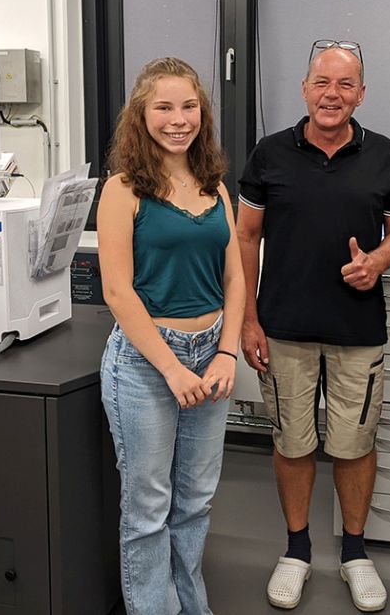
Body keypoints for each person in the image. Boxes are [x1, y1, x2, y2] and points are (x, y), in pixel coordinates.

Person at [236, 39, 390, 612]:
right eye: (321, 82)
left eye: (344, 85)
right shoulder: (269, 154)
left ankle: (355, 554)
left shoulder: (383, 154)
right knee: (292, 442)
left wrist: (377, 262)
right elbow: (245, 236)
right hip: (283, 326)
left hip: (358, 328)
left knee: (355, 443)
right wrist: (247, 317)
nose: (331, 94)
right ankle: (296, 552)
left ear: (360, 94)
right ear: (305, 88)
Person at [97, 56, 245, 615]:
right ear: (142, 114)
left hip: (210, 356)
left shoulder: (214, 187)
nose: (178, 119)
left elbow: (233, 277)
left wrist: (226, 351)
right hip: (145, 363)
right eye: (164, 107)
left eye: (189, 107)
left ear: (202, 114)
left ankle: (191, 605)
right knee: (148, 507)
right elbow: (118, 293)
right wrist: (172, 368)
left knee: (196, 502)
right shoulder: (122, 188)